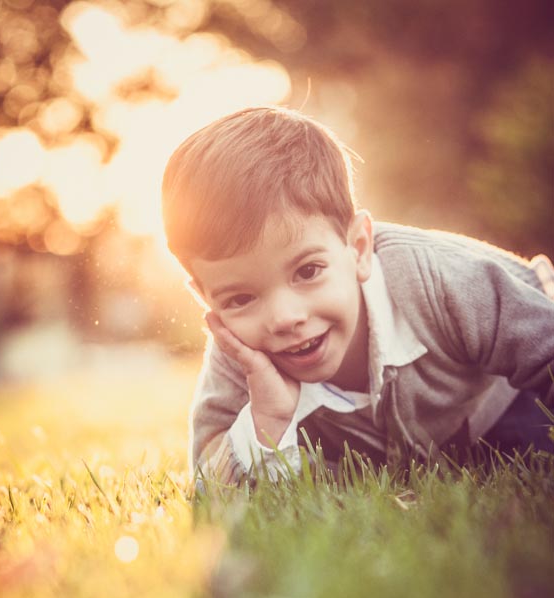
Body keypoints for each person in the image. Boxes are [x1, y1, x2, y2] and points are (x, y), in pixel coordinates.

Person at [161, 106, 554, 484]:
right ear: (205, 299)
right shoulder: (240, 357)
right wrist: (267, 419)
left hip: (502, 406)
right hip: (394, 461)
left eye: (308, 271)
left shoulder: (438, 278)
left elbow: (544, 344)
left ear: (358, 247)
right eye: (240, 299)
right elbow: (209, 484)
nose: (284, 317)